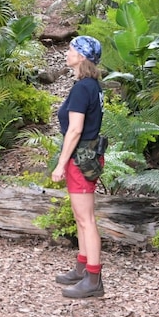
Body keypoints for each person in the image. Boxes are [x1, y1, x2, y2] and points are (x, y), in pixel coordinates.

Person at [51, 35, 105, 298]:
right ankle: (82, 267)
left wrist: (61, 164)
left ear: (81, 56)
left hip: (80, 159)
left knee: (86, 220)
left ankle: (93, 280)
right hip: (86, 157)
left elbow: (75, 130)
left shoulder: (83, 88)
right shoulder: (91, 86)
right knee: (81, 218)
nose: (67, 52)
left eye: (71, 49)